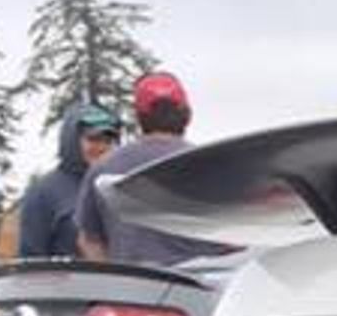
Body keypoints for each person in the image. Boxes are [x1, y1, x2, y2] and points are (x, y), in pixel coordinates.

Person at [78, 70, 230, 268]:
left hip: (134, 290)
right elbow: (235, 240)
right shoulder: (214, 167)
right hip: (200, 292)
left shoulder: (102, 169)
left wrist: (114, 280)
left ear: (140, 117)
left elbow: (89, 241)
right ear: (187, 114)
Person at [12, 103, 118, 260]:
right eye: (93, 139)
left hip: (122, 282)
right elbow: (30, 263)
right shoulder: (43, 193)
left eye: (108, 141)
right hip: (68, 283)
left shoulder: (119, 186)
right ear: (72, 141)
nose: (102, 147)